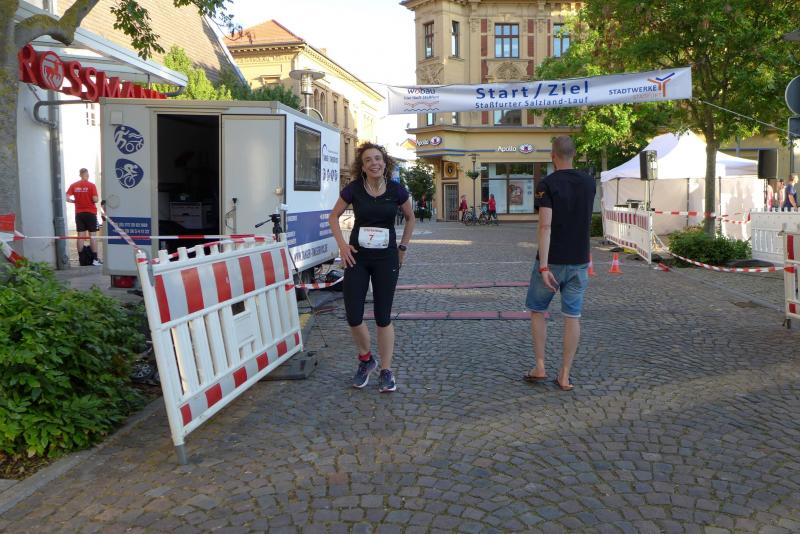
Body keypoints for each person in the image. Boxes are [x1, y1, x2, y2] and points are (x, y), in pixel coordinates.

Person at [328, 142, 415, 393]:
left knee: (382, 316)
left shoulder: (397, 190)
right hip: (357, 257)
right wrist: (342, 245)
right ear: (363, 166)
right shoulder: (354, 189)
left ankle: (386, 370)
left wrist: (403, 247)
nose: (374, 163)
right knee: (353, 315)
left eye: (378, 158)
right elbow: (333, 217)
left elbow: (410, 218)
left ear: (384, 163)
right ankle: (366, 359)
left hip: (386, 259)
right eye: (368, 160)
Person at [523, 136, 595, 392]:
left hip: (552, 261)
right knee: (572, 316)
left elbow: (545, 226)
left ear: (553, 156)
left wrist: (543, 267)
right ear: (574, 154)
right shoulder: (589, 183)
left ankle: (540, 367)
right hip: (579, 260)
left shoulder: (547, 184)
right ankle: (564, 374)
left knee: (537, 310)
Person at [66, 168, 102, 266]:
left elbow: (66, 197)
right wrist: (94, 198)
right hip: (90, 213)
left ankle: (81, 260)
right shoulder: (91, 185)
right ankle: (95, 260)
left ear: (80, 175)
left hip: (79, 213)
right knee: (93, 236)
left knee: (80, 236)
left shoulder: (74, 185)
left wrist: (74, 201)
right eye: (88, 175)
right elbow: (95, 199)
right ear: (86, 175)